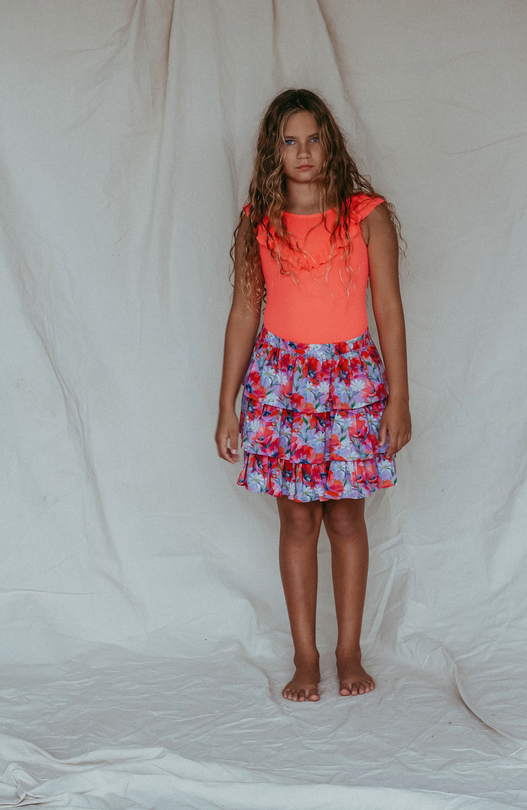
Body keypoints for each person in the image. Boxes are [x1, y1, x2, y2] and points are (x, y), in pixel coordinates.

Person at [215, 89, 411, 702]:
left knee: (346, 515)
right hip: (281, 383)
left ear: (331, 143)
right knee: (297, 517)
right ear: (273, 152)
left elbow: (389, 310)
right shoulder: (260, 221)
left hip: (351, 382)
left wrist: (399, 399)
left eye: (314, 138)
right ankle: (306, 657)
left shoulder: (367, 216)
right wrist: (226, 404)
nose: (303, 151)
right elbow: (244, 312)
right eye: (289, 141)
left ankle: (349, 651)